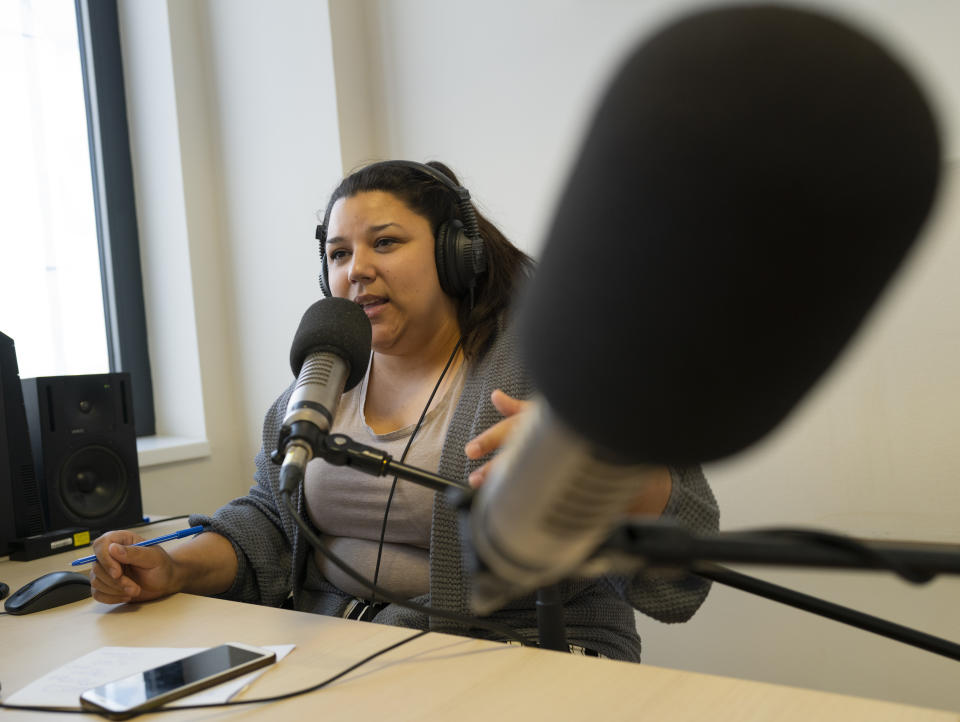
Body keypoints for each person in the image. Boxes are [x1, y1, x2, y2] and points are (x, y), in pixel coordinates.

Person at [89, 160, 719, 661]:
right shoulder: (322, 379)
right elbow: (270, 522)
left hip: (521, 648)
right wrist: (172, 566)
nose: (356, 270)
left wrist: (596, 465)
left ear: (455, 255)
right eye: (337, 254)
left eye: (384, 243)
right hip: (334, 653)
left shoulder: (550, 366)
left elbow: (690, 526)